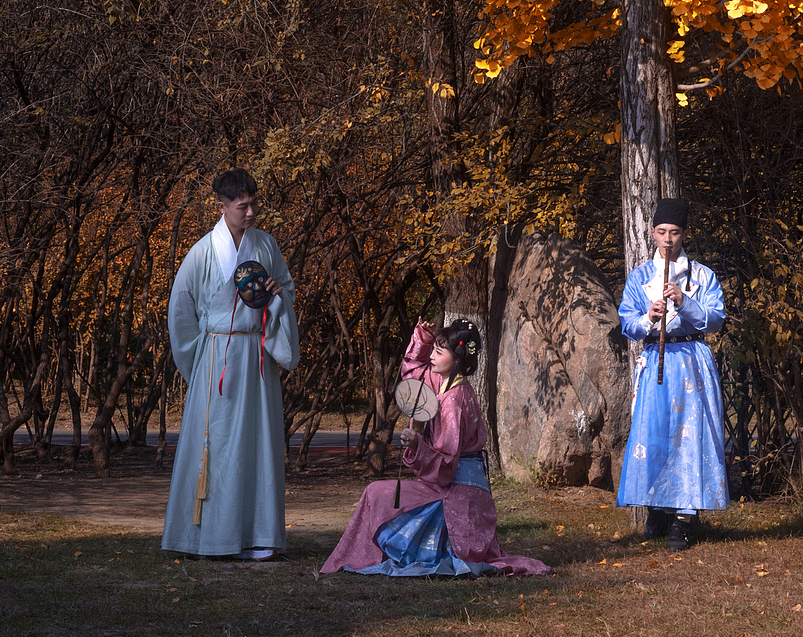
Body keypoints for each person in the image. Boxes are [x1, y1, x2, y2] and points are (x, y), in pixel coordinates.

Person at [320, 317, 548, 577]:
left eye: (440, 351)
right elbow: (412, 376)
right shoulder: (448, 384)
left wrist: (417, 444)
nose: (433, 355)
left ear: (458, 358)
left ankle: (396, 553)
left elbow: (446, 465)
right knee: (378, 492)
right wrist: (423, 337)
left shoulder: (452, 401)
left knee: (376, 493)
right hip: (463, 489)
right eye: (434, 349)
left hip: (456, 494)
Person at [161, 167, 300, 560]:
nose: (251, 212)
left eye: (254, 203)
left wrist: (276, 296)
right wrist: (198, 360)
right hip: (217, 361)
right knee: (216, 445)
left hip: (256, 358)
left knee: (257, 444)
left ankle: (256, 537)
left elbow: (285, 290)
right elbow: (181, 310)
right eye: (243, 205)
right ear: (222, 206)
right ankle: (207, 537)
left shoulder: (267, 246)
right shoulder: (203, 251)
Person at [616, 196, 728, 548]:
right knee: (655, 432)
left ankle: (685, 516)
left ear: (684, 234)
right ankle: (658, 508)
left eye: (675, 233)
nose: (668, 239)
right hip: (656, 363)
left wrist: (685, 302)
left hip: (692, 363)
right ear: (652, 233)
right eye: (662, 232)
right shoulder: (640, 277)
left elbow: (716, 318)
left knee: (689, 435)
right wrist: (649, 316)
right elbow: (626, 322)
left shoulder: (702, 275)